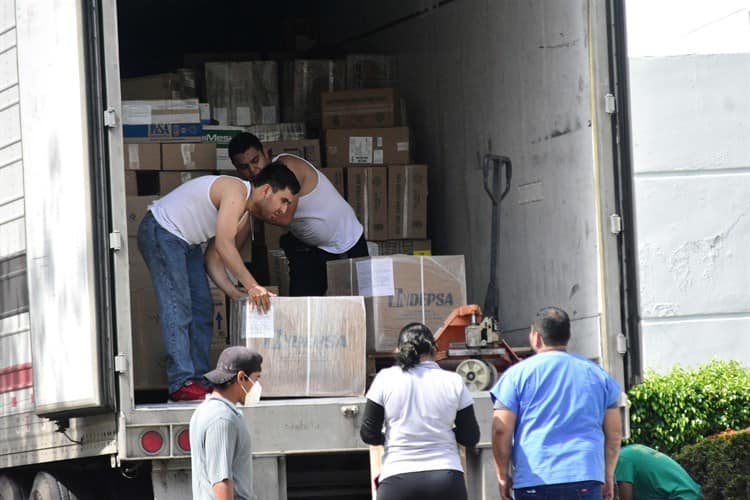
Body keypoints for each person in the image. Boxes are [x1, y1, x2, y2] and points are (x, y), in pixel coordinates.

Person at [138, 163, 299, 402]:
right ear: (266, 190)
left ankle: (200, 381)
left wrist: (236, 293)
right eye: (283, 200)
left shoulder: (244, 214)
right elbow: (225, 245)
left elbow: (213, 258)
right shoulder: (236, 191)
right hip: (162, 231)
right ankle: (181, 382)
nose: (284, 209)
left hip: (186, 242)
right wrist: (253, 286)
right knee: (178, 307)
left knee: (203, 307)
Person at [490, 307, 622, 500]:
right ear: (568, 336)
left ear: (536, 337)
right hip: (585, 475)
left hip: (534, 478)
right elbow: (614, 434)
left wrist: (502, 475)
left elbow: (500, 430)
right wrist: (607, 474)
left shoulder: (515, 376)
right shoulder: (599, 376)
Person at [226, 132, 368, 296]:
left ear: (265, 153)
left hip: (345, 242)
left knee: (356, 307)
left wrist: (246, 206)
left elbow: (285, 218)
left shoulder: (287, 168)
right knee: (303, 306)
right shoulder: (256, 189)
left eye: (255, 161)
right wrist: (227, 256)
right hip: (310, 247)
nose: (252, 170)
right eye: (244, 167)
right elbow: (245, 225)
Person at [360, 323, 480, 500]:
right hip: (446, 479)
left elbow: (368, 434)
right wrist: (443, 433)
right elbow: (470, 437)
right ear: (435, 350)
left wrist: (392, 438)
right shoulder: (453, 381)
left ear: (398, 350)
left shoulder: (385, 379)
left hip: (397, 479)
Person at [190, 346, 263, 500]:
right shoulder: (222, 419)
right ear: (241, 377)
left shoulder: (205, 411)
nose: (256, 387)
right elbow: (221, 482)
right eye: (256, 379)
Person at [615, 444, 703, 499]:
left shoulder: (621, 460)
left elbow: (625, 497)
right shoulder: (629, 451)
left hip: (680, 496)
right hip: (691, 494)